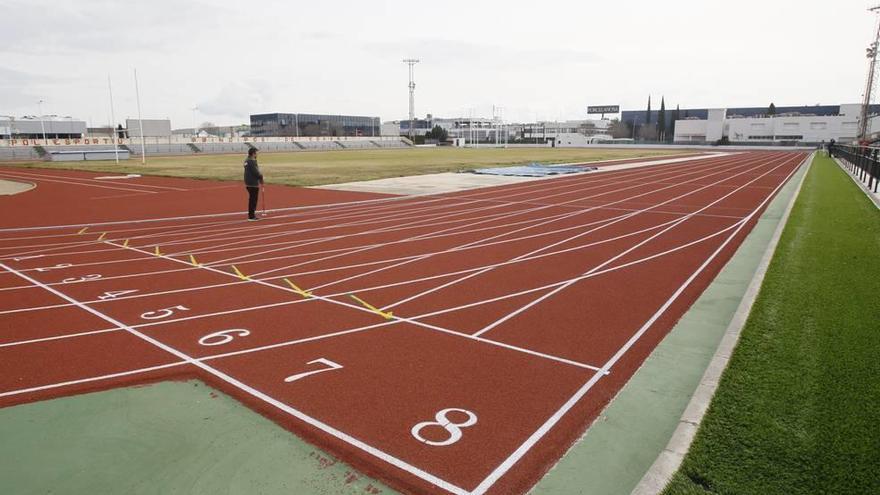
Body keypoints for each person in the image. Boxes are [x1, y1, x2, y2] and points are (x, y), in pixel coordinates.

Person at [243, 148, 264, 221]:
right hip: (252, 183)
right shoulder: (251, 161)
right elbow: (256, 172)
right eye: (256, 153)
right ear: (253, 153)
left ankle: (251, 214)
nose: (257, 154)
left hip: (248, 182)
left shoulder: (247, 160)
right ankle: (251, 216)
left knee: (252, 199)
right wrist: (261, 177)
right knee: (253, 200)